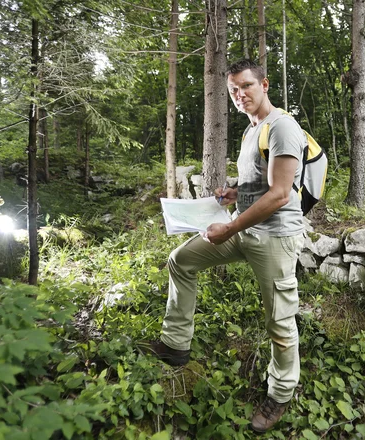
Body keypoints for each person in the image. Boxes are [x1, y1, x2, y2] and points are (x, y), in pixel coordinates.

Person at [150, 59, 306, 433]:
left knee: (280, 322)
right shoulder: (251, 130)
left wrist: (230, 226)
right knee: (181, 260)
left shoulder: (282, 127)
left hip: (274, 238)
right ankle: (175, 344)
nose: (240, 95)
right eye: (233, 90)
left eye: (247, 87)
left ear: (264, 84)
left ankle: (280, 394)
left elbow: (282, 194)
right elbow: (260, 184)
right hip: (246, 230)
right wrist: (235, 193)